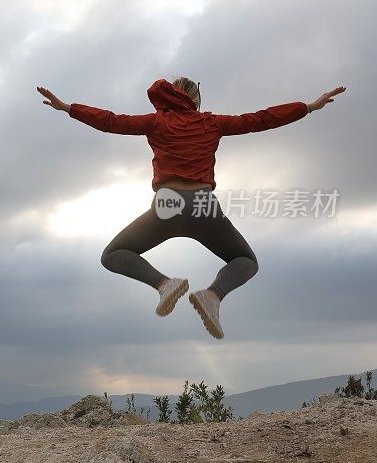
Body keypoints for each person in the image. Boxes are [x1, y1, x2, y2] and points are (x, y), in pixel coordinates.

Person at [36, 78, 346, 339]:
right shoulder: (212, 122)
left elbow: (112, 121)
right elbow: (261, 119)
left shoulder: (156, 121)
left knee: (113, 254)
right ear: (195, 99)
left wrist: (69, 109)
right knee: (245, 260)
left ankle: (164, 284)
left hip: (167, 204)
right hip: (202, 205)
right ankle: (213, 295)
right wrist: (307, 107)